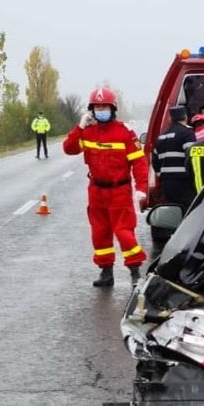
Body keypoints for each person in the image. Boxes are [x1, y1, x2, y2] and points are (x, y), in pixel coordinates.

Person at [63, 86, 149, 287]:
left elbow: (139, 162)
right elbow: (69, 149)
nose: (101, 110)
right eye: (97, 107)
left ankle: (135, 272)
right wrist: (80, 127)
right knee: (99, 233)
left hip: (119, 191)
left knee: (124, 232)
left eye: (105, 107)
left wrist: (142, 187)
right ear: (92, 110)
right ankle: (106, 272)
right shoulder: (88, 133)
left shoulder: (124, 133)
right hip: (96, 191)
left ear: (113, 108)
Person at [151, 105, 197, 206]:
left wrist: (162, 175)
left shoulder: (161, 137)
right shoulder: (187, 133)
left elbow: (155, 161)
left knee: (172, 210)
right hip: (183, 182)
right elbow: (192, 156)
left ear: (170, 118)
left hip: (166, 183)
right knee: (186, 210)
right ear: (185, 117)